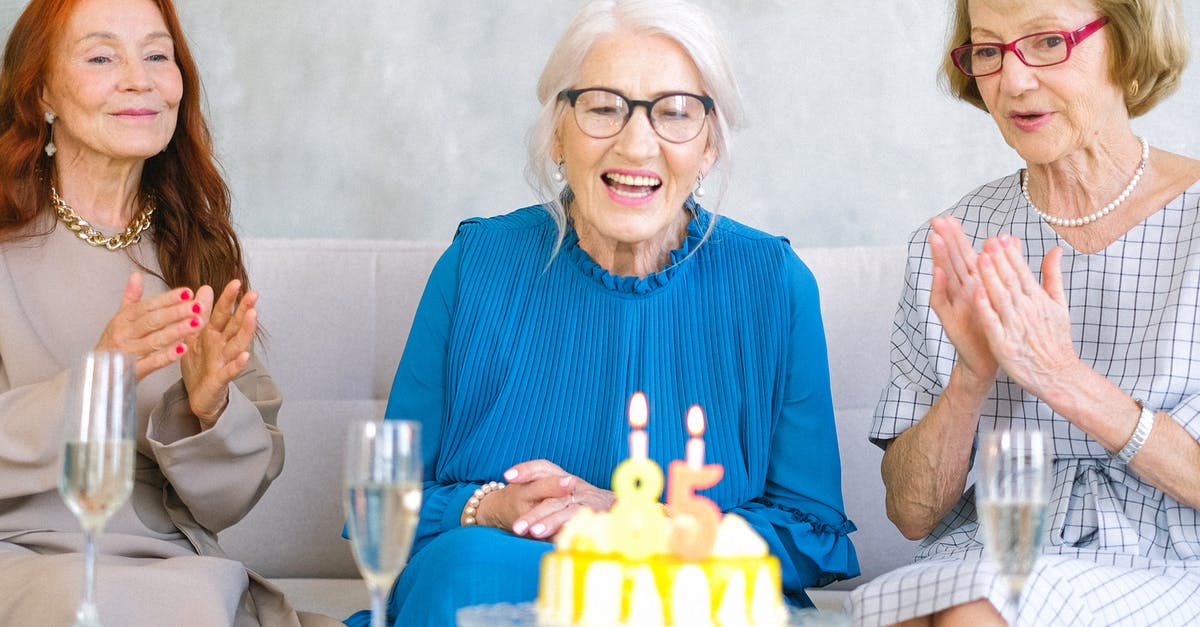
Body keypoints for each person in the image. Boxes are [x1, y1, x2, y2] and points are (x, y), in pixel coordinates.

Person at [347, 0, 860, 624]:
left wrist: (632, 519)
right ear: (558, 133)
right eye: (602, 106)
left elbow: (811, 534)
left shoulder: (775, 286)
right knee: (464, 569)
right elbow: (381, 506)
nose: (637, 143)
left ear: (708, 147)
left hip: (686, 592)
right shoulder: (475, 266)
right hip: (499, 580)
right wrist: (492, 505)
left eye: (674, 112)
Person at [850, 0, 1200, 624]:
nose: (1013, 81)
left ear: (1127, 41)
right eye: (988, 51)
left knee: (979, 609)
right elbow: (910, 515)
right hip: (988, 549)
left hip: (1166, 558)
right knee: (897, 609)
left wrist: (1063, 377)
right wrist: (970, 378)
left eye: (1046, 43)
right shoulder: (958, 236)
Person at [0, 0, 338, 624]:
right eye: (103, 56)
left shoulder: (196, 246)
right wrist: (99, 379)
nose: (140, 78)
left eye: (158, 55)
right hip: (24, 558)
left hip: (175, 564)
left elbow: (228, 502)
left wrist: (207, 408)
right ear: (42, 90)